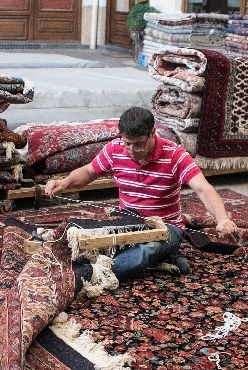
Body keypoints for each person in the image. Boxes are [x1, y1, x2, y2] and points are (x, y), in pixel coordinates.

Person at [45, 107, 237, 279]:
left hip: (166, 228)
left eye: (138, 144)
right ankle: (161, 260)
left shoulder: (175, 155)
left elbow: (203, 189)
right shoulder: (114, 149)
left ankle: (93, 274)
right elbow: (88, 172)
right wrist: (63, 183)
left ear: (152, 133)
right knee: (84, 238)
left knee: (146, 250)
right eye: (127, 143)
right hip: (127, 222)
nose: (132, 150)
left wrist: (222, 219)